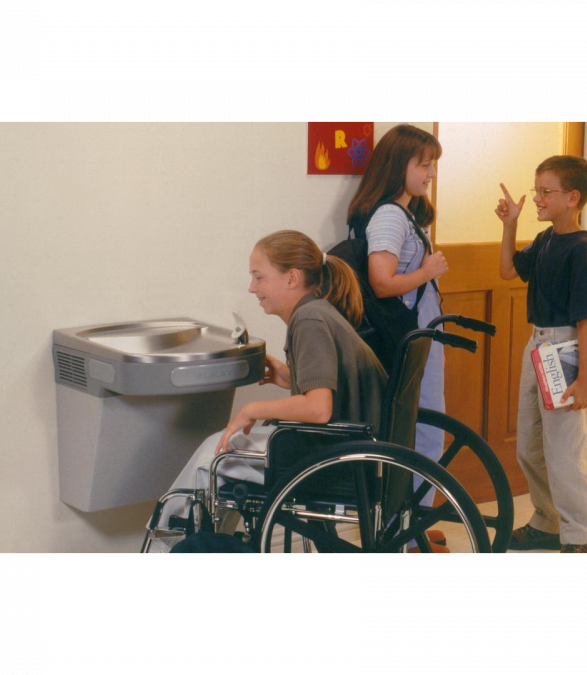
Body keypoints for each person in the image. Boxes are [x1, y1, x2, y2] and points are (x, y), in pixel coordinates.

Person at [154, 230, 388, 551]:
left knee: (213, 455)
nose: (252, 288)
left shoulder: (308, 319)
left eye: (259, 277)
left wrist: (253, 409)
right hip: (352, 444)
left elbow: (319, 408)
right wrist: (288, 377)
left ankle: (167, 543)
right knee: (221, 449)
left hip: (332, 456)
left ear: (291, 278)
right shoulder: (318, 311)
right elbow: (333, 392)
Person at [496, 155, 587, 555]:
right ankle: (547, 521)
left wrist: (583, 378)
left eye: (546, 191)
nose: (538, 198)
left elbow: (586, 320)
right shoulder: (546, 240)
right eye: (537, 189)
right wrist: (510, 225)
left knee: (564, 452)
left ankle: (577, 537)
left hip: (564, 347)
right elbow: (508, 271)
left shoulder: (581, 250)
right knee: (529, 445)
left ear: (572, 198)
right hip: (537, 343)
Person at [347, 125, 449, 549]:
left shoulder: (404, 213)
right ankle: (410, 530)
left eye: (432, 166)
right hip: (413, 335)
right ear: (397, 165)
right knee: (423, 426)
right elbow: (382, 280)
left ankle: (414, 523)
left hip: (418, 332)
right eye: (422, 165)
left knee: (421, 424)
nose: (429, 174)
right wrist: (428, 271)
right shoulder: (390, 215)